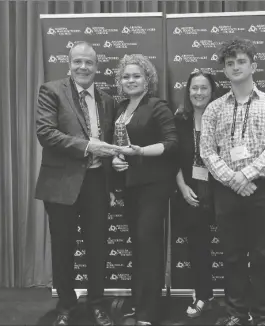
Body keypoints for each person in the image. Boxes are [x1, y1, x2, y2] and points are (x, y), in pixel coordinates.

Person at [200, 37, 265, 326]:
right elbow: (207, 151)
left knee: (262, 256)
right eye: (229, 63)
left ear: (253, 65)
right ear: (224, 71)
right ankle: (237, 313)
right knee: (232, 256)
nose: (235, 67)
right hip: (226, 190)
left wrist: (247, 175)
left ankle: (261, 314)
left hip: (262, 189)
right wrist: (233, 179)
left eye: (241, 61)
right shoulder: (214, 109)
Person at [35, 42, 119, 326]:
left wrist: (109, 185)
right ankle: (66, 306)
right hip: (61, 184)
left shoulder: (107, 100)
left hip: (97, 183)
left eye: (89, 63)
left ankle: (98, 303)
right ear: (68, 64)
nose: (83, 67)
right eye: (78, 62)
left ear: (97, 67)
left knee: (98, 248)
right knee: (63, 248)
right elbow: (46, 133)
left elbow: (110, 146)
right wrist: (89, 146)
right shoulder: (51, 91)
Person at [111, 54, 178, 325]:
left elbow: (171, 143)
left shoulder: (157, 106)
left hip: (154, 187)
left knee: (149, 248)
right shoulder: (120, 109)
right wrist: (116, 158)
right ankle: (138, 304)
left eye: (136, 76)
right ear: (120, 81)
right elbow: (117, 145)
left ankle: (148, 312)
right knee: (138, 248)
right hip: (130, 188)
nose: (131, 80)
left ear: (147, 79)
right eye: (126, 76)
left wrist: (140, 152)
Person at [174, 70, 218, 318]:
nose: (198, 93)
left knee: (233, 247)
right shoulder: (179, 120)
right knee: (199, 246)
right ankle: (202, 294)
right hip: (190, 190)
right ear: (188, 91)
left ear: (212, 92)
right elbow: (172, 159)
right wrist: (182, 187)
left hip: (221, 190)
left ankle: (239, 303)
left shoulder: (222, 117)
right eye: (194, 88)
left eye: (203, 88)